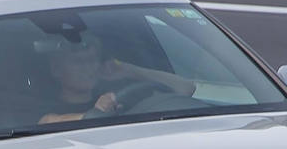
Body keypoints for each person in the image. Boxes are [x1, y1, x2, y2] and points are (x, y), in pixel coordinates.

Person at [37, 29, 197, 123]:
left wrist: (130, 70)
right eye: (78, 62)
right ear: (56, 69)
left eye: (92, 59)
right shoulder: (45, 108)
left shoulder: (121, 97)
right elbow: (48, 121)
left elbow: (186, 88)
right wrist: (97, 112)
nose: (87, 67)